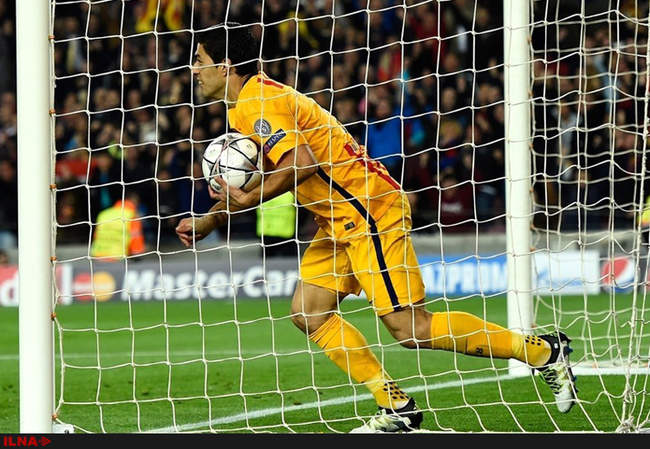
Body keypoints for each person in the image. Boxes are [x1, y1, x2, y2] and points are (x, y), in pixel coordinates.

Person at [175, 23, 578, 432]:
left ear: (225, 66)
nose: (193, 69)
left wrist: (249, 200)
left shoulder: (259, 101)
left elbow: (302, 163)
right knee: (309, 313)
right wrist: (212, 218)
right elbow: (269, 175)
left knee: (411, 329)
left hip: (368, 209)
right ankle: (397, 406)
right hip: (337, 219)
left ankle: (543, 351)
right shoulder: (247, 104)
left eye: (199, 60)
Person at [91, 192, 146, 260]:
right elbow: (136, 240)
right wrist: (137, 256)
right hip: (117, 257)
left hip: (97, 255)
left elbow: (96, 236)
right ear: (135, 202)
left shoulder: (103, 214)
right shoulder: (132, 215)